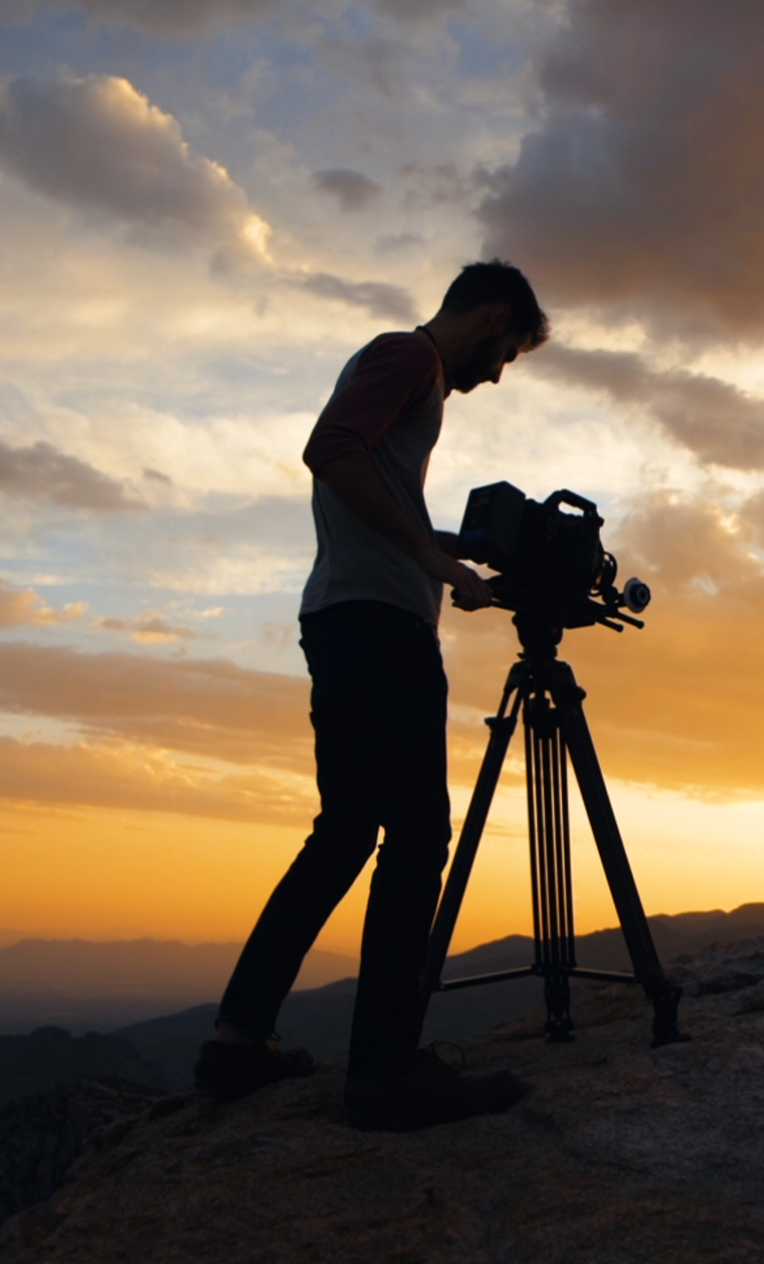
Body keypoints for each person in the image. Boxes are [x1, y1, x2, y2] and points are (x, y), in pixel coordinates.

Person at [194, 260, 548, 1130]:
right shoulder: (408, 358)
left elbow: (370, 488)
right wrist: (431, 564)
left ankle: (234, 1044)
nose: (498, 372)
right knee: (419, 835)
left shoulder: (402, 371)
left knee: (346, 831)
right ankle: (385, 1071)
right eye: (506, 351)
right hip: (383, 627)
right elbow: (331, 451)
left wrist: (455, 545)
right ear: (493, 317)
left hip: (337, 619)